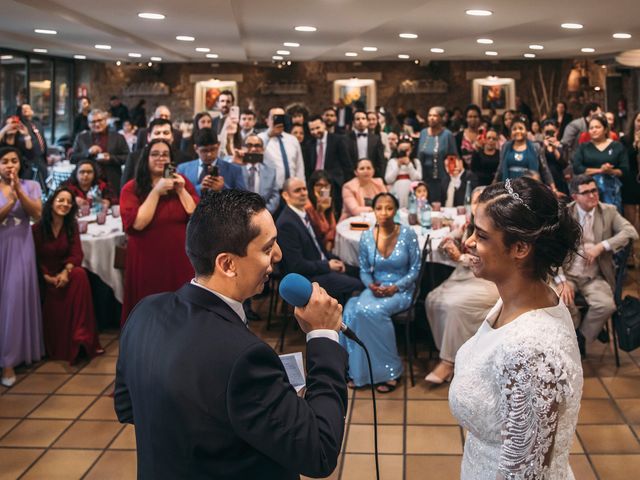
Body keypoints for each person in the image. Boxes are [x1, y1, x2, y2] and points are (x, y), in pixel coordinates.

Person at [115, 189, 349, 479]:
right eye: (267, 248)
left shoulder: (145, 311)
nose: (278, 255)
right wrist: (323, 335)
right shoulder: (245, 358)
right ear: (227, 264)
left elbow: (127, 407)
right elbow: (320, 452)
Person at [449, 176, 584, 478]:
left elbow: (526, 472)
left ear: (520, 248)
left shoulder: (530, 350)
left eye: (481, 236)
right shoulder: (525, 296)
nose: (469, 241)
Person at [341, 193, 420, 392]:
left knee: (368, 312)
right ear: (373, 210)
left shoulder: (408, 234)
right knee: (351, 310)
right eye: (379, 208)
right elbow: (364, 270)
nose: (384, 213)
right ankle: (359, 371)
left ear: (395, 210)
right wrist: (370, 285)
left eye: (389, 208)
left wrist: (397, 286)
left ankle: (389, 371)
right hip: (376, 288)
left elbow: (415, 269)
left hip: (402, 289)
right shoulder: (367, 236)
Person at [556, 175, 638, 356]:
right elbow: (552, 249)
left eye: (594, 190)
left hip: (595, 275)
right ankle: (575, 332)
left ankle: (581, 338)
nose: (593, 195)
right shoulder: (565, 214)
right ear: (575, 197)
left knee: (606, 304)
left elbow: (630, 232)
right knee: (561, 302)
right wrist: (561, 280)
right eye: (586, 192)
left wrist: (602, 246)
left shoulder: (608, 211)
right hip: (568, 274)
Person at [119, 139, 198, 325]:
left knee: (180, 312)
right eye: (155, 154)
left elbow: (194, 213)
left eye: (165, 154)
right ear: (146, 158)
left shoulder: (182, 182)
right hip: (147, 259)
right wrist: (156, 192)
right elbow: (138, 223)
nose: (160, 158)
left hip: (179, 258)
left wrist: (180, 191)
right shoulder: (131, 188)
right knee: (150, 311)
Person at [425, 186, 499, 384]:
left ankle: (448, 362)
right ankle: (453, 353)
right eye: (475, 201)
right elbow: (449, 242)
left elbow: (491, 260)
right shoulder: (468, 224)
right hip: (463, 276)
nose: (477, 205)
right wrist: (448, 243)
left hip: (487, 279)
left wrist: (461, 257)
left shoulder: (496, 228)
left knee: (454, 306)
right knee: (433, 299)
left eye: (482, 200)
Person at [32, 187, 103, 363]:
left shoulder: (71, 226)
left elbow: (76, 254)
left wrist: (66, 272)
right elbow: (33, 257)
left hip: (66, 272)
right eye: (60, 200)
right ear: (52, 202)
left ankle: (82, 339)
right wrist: (46, 276)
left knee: (80, 275)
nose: (64, 204)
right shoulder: (38, 228)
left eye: (68, 202)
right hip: (44, 275)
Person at [277, 177, 363, 305]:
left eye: (304, 189)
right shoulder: (286, 223)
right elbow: (296, 266)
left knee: (359, 271)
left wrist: (333, 261)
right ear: (285, 195)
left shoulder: (303, 213)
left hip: (320, 264)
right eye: (297, 190)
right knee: (358, 285)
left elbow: (318, 246)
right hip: (309, 277)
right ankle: (343, 321)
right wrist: (327, 265)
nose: (303, 193)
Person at [0, 147, 43, 387]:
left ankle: (11, 358)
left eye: (13, 161)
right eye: (4, 161)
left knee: (15, 298)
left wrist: (18, 191)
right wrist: (10, 202)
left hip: (21, 247)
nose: (9, 165)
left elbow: (36, 213)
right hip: (1, 245)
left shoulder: (30, 186)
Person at [573, 114, 628, 211]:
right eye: (591, 128)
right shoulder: (583, 147)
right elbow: (577, 168)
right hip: (587, 190)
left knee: (610, 216)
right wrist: (600, 170)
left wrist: (611, 171)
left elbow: (624, 169)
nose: (594, 130)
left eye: (597, 127)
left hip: (612, 191)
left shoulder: (617, 146)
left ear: (606, 129)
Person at [71, 109, 130, 194]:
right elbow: (73, 158)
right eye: (93, 122)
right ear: (88, 124)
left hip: (112, 181)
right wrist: (88, 152)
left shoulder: (118, 137)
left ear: (106, 121)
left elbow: (127, 157)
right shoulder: (81, 138)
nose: (97, 124)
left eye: (99, 120)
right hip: (87, 184)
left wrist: (111, 158)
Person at [122, 118, 191, 186]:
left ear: (172, 137)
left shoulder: (184, 159)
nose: (161, 136)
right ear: (149, 137)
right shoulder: (134, 157)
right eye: (157, 133)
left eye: (166, 133)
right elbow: (125, 187)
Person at [177, 128, 246, 196]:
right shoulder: (183, 169)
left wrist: (223, 189)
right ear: (196, 148)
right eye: (204, 151)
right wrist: (199, 188)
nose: (209, 154)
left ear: (218, 145)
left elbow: (244, 200)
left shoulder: (234, 170)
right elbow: (177, 196)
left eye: (213, 149)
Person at [417, 106, 459, 203]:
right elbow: (418, 155)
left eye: (435, 116)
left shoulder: (447, 135)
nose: (431, 118)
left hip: (441, 180)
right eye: (429, 115)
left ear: (441, 118)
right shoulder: (423, 133)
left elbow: (453, 156)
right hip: (423, 179)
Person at [258, 107, 306, 190]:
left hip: (292, 190)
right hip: (270, 189)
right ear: (267, 120)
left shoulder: (292, 140)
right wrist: (269, 135)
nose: (278, 120)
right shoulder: (260, 139)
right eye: (275, 117)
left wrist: (302, 187)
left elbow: (299, 167)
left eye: (282, 118)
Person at [237, 134, 279, 214]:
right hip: (239, 217)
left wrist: (263, 213)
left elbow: (275, 196)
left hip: (263, 216)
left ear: (262, 149)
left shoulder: (271, 170)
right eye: (249, 145)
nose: (253, 149)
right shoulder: (235, 168)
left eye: (257, 146)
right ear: (243, 148)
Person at [345, 110, 387, 177]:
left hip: (372, 176)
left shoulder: (376, 139)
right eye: (357, 119)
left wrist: (379, 176)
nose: (361, 121)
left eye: (363, 118)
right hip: (351, 177)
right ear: (353, 123)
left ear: (367, 122)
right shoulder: (346, 139)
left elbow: (380, 161)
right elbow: (345, 161)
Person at [385, 136, 422, 208]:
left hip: (411, 190)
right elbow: (388, 180)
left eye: (407, 150)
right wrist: (397, 166)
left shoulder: (416, 162)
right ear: (397, 149)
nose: (404, 152)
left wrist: (409, 165)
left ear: (411, 149)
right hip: (396, 190)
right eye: (401, 150)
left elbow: (418, 178)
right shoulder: (392, 162)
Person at [305, 170, 337, 252]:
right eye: (318, 185)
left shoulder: (328, 200)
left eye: (326, 185)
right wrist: (320, 210)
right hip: (314, 247)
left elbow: (333, 227)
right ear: (312, 187)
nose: (322, 189)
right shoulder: (308, 206)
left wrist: (329, 243)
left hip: (327, 247)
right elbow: (323, 229)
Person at [621, 111, 640, 235]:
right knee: (630, 218)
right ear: (634, 122)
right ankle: (631, 250)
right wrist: (635, 146)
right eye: (639, 120)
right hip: (630, 180)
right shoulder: (625, 140)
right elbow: (625, 161)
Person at [455, 104, 482, 168]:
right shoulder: (459, 136)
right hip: (464, 172)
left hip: (482, 172)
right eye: (470, 117)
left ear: (479, 118)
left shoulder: (484, 134)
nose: (473, 119)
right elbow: (457, 155)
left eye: (475, 117)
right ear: (466, 119)